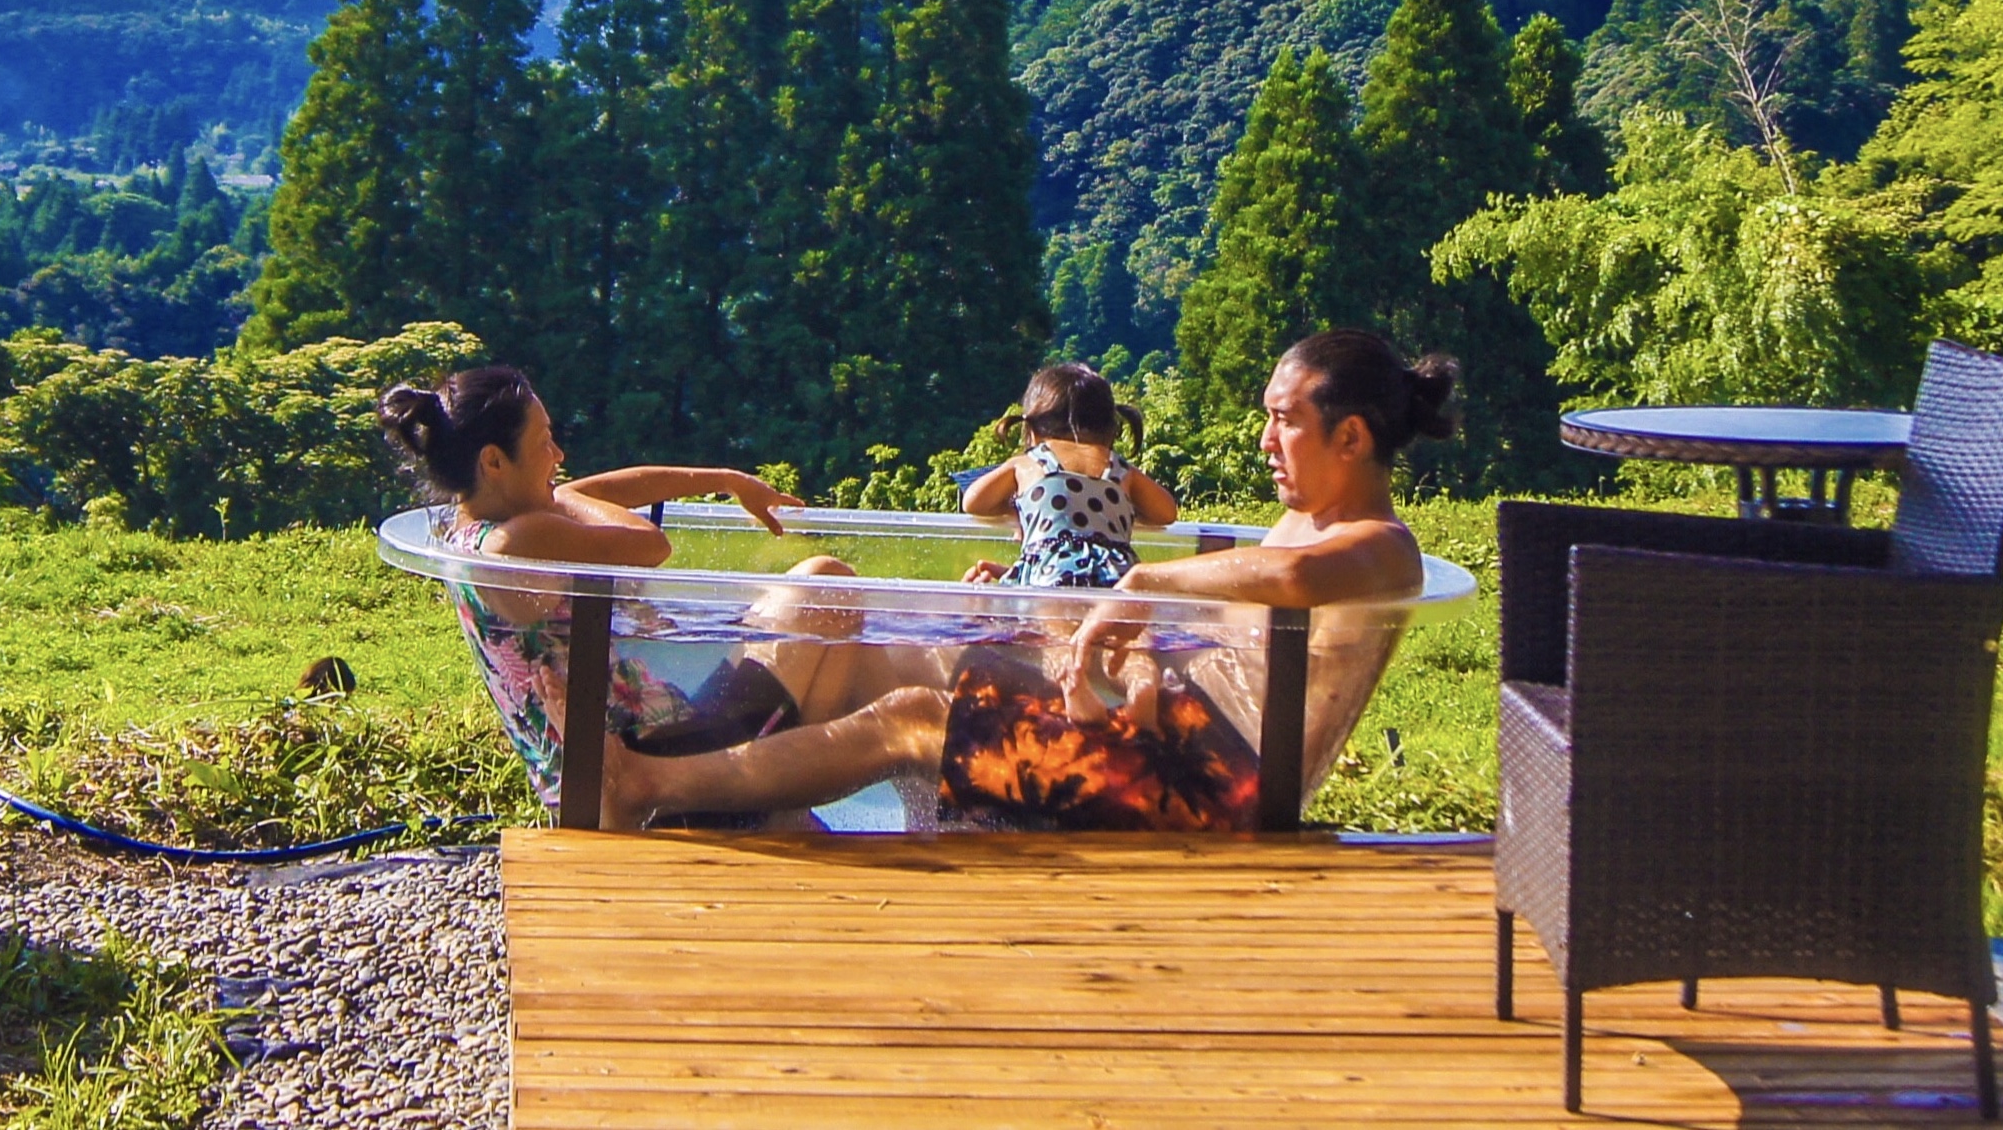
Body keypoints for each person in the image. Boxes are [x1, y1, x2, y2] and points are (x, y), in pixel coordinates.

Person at [590, 329, 1456, 833]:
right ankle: (710, 781)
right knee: (870, 652)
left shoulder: (1378, 546)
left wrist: (1138, 590)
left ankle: (653, 786)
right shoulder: (1304, 518)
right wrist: (1119, 635)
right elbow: (1232, 639)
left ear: (1349, 439)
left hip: (1210, 793)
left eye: (1285, 421)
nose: (1266, 439)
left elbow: (1292, 578)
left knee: (915, 720)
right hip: (1162, 734)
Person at [387, 366, 904, 819]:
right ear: (494, 462)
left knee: (824, 611)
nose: (559, 454)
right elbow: (648, 543)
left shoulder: (472, 526)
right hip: (646, 762)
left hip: (615, 758)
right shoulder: (518, 540)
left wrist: (725, 480)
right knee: (827, 585)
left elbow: (592, 494)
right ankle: (765, 800)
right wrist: (565, 500)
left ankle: (770, 802)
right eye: (545, 442)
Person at [956, 362, 1178, 589]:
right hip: (1118, 574)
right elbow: (1166, 513)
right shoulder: (1118, 468)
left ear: (1030, 429)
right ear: (1112, 428)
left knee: (1047, 622)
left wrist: (1019, 507)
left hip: (1050, 569)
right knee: (1108, 624)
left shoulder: (1029, 463)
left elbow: (973, 502)